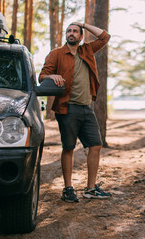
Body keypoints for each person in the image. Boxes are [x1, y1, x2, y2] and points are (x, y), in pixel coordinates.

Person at [39, 22, 111, 202]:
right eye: (69, 31)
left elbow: (105, 37)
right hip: (67, 108)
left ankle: (90, 188)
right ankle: (68, 188)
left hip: (87, 107)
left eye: (75, 31)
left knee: (95, 145)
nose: (71, 33)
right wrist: (51, 76)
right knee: (68, 148)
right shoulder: (56, 54)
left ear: (81, 36)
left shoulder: (87, 50)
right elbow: (41, 76)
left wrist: (84, 25)